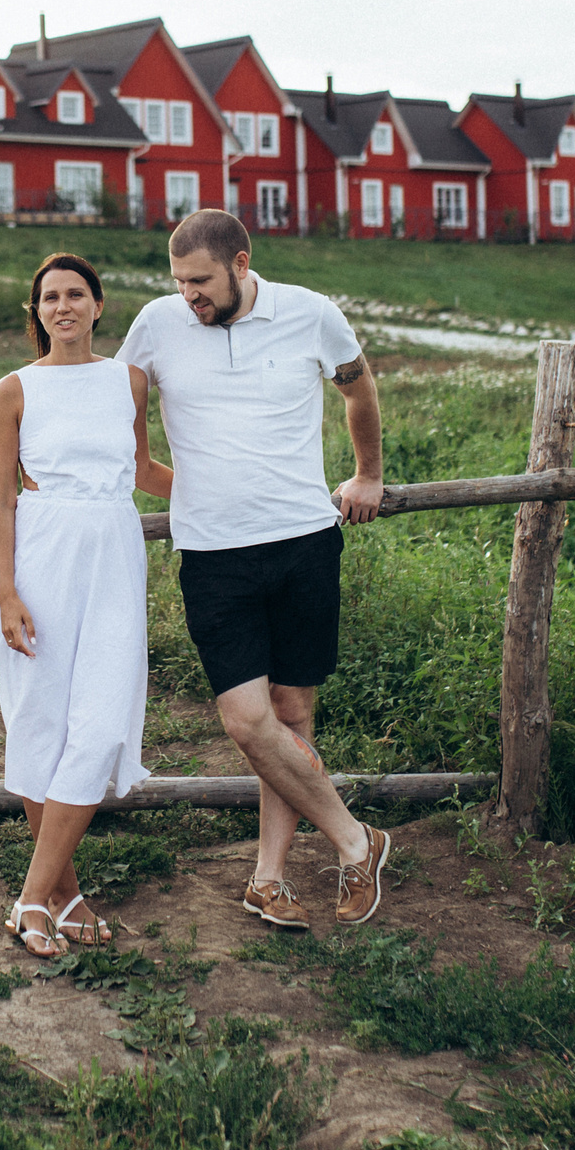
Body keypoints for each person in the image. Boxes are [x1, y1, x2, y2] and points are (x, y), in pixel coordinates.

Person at [115, 209, 392, 930]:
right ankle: (356, 839)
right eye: (178, 284)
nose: (189, 299)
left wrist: (367, 475)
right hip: (212, 555)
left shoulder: (312, 313)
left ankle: (268, 877)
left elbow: (359, 390)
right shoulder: (154, 325)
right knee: (247, 720)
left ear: (241, 263)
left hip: (304, 541)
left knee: (292, 715)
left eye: (200, 282)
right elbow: (119, 426)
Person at [0, 253, 176, 957]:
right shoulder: (14, 390)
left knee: (98, 727)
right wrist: (7, 592)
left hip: (114, 556)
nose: (62, 306)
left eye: (75, 294)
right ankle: (58, 894)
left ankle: (33, 895)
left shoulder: (128, 380)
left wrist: (230, 490)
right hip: (40, 557)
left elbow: (144, 470)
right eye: (48, 297)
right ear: (36, 313)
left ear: (99, 305)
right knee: (39, 721)